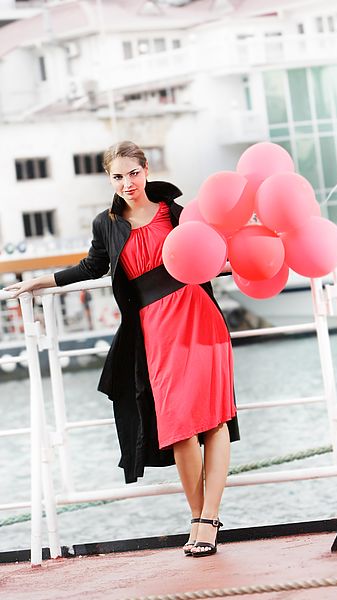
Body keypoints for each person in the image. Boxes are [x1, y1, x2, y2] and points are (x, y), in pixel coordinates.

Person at [3, 141, 240, 558]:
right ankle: (197, 516)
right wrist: (38, 282)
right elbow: (92, 267)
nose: (127, 183)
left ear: (146, 170)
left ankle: (209, 519)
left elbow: (214, 252)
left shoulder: (177, 212)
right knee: (180, 427)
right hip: (154, 329)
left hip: (199, 316)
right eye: (117, 176)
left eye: (133, 173)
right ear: (108, 179)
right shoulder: (107, 224)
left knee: (214, 421)